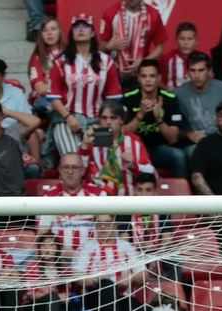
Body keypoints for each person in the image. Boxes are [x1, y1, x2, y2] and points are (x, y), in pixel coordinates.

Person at [49, 13, 123, 153]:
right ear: (72, 34)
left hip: (98, 120)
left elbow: (113, 97)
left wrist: (104, 122)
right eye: (76, 27)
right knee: (72, 159)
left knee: (102, 159)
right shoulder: (61, 62)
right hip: (67, 119)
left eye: (85, 26)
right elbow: (54, 96)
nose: (81, 29)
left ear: (93, 33)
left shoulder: (106, 61)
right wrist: (69, 118)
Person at [121, 58, 188, 178]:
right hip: (133, 149)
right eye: (144, 76)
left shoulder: (170, 99)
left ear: (158, 78)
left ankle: (179, 195)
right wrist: (140, 115)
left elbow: (173, 139)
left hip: (158, 149)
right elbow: (122, 134)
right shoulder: (128, 99)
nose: (148, 80)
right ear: (138, 78)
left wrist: (159, 118)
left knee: (178, 156)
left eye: (152, 76)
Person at [80, 100, 153, 192]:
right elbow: (79, 173)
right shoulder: (91, 140)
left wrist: (133, 166)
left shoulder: (134, 141)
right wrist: (84, 146)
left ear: (122, 120)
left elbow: (150, 172)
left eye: (113, 118)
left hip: (128, 198)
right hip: (99, 199)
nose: (108, 122)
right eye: (104, 118)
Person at [99, 0, 167, 86]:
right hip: (114, 71)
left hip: (141, 73)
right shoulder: (110, 13)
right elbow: (100, 47)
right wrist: (109, 47)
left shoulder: (153, 14)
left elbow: (160, 47)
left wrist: (143, 62)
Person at [174, 52, 222, 140]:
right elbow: (172, 129)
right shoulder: (177, 94)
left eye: (201, 70)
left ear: (209, 71)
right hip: (194, 144)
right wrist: (189, 135)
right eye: (192, 70)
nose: (196, 75)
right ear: (188, 71)